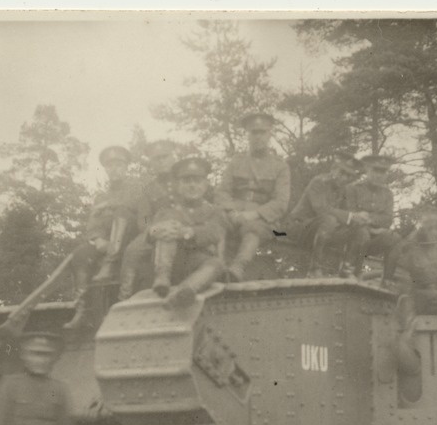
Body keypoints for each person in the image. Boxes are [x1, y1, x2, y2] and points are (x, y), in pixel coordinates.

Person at [64, 145, 142, 330]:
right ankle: (82, 309)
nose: (114, 169)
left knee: (123, 213)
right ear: (106, 169)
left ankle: (109, 264)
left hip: (132, 240)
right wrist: (98, 240)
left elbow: (144, 214)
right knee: (81, 254)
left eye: (119, 164)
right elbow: (92, 226)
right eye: (110, 166)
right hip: (107, 243)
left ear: (126, 166)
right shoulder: (100, 196)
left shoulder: (138, 188)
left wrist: (112, 205)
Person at [214, 112, 291, 281]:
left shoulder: (280, 166)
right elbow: (222, 191)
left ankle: (238, 267)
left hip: (262, 218)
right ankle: (217, 264)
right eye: (253, 132)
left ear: (270, 134)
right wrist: (231, 211)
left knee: (253, 229)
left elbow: (281, 202)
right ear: (247, 135)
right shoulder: (236, 161)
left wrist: (253, 214)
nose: (258, 137)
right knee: (215, 220)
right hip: (234, 213)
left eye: (262, 132)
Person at [144, 156, 227, 308]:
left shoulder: (214, 211)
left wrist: (186, 233)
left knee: (216, 264)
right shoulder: (166, 210)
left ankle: (183, 293)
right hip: (172, 263)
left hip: (199, 265)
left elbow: (215, 232)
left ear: (205, 185)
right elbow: (150, 231)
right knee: (166, 225)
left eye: (197, 181)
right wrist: (155, 231)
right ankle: (162, 277)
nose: (192, 186)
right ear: (178, 185)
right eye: (186, 181)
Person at [284, 153, 363, 277]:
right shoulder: (319, 182)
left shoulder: (343, 190)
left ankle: (347, 268)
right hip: (298, 227)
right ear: (333, 169)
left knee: (358, 227)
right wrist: (349, 216)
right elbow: (321, 209)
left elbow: (347, 214)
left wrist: (357, 218)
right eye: (341, 172)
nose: (344, 178)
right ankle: (314, 268)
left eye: (348, 175)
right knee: (330, 220)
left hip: (323, 232)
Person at [118, 140, 178, 300]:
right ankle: (125, 296)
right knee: (131, 251)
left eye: (164, 156)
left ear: (173, 157)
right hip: (156, 230)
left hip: (184, 226)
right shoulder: (148, 190)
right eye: (156, 159)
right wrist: (153, 230)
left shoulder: (187, 179)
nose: (161, 161)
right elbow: (144, 220)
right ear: (151, 163)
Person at [341, 154, 402, 279]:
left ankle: (387, 280)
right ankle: (350, 271)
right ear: (367, 170)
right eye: (375, 170)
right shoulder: (352, 188)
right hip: (350, 235)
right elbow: (351, 215)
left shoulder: (387, 194)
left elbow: (388, 219)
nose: (379, 175)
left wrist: (369, 219)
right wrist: (373, 225)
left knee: (394, 238)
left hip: (373, 236)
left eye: (383, 171)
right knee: (362, 233)